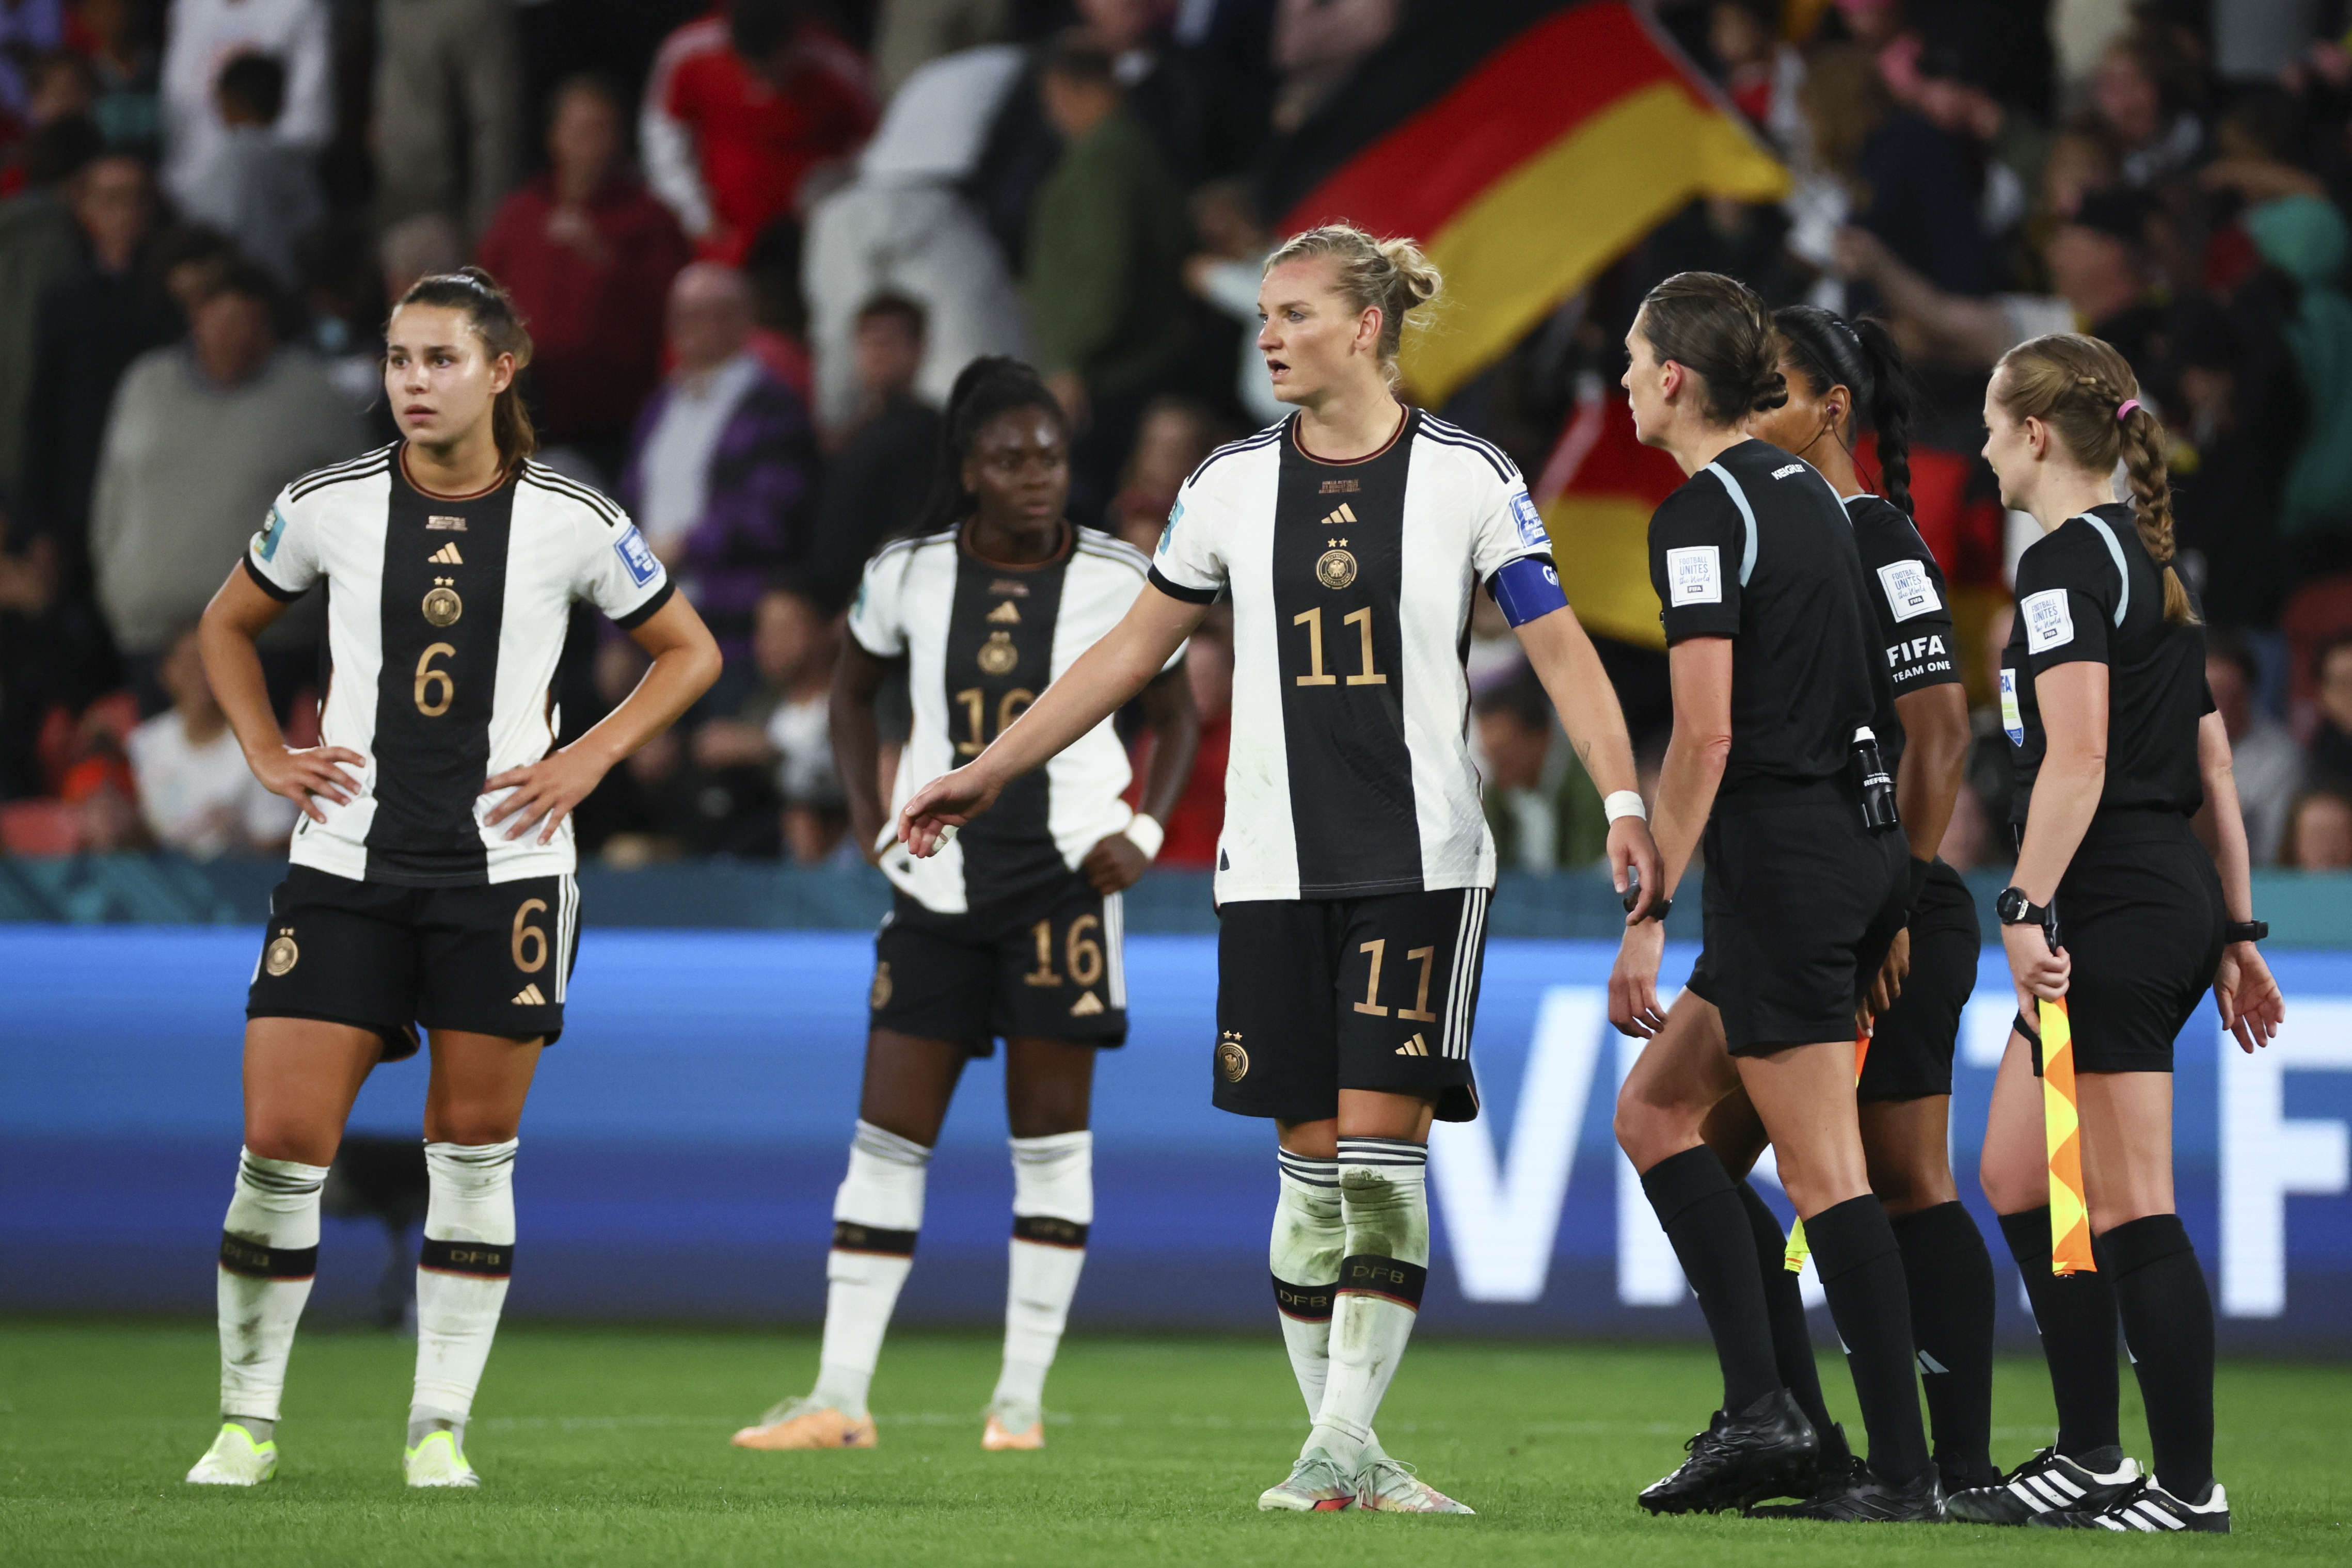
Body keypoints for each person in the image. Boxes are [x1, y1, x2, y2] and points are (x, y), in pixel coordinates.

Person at [896, 225, 1659, 1514]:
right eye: (1260, 314)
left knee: (1375, 1159)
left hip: (1418, 863)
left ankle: (1333, 1450)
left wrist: (1621, 796)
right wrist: (991, 764)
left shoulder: (1469, 475)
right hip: (1264, 869)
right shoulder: (1227, 484)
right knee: (1306, 1176)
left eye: (1291, 313)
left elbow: (1558, 647)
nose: (1265, 336)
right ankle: (1341, 1454)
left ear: (1364, 327)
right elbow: (1128, 655)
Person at [181, 266, 722, 1490]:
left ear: (501, 367)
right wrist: (267, 751)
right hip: (346, 864)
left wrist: (586, 758)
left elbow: (689, 651)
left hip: (506, 876)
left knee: (471, 1152)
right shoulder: (326, 504)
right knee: (278, 1144)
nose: (411, 383)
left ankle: (437, 1427)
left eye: (437, 359)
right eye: (395, 359)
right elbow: (224, 625)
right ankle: (246, 1420)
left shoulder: (572, 519)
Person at [730, 357, 1199, 1454]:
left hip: (1067, 884)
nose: (1036, 476)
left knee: (1051, 1149)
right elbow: (848, 691)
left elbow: (1173, 715)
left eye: (1049, 456)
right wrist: (863, 809)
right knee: (886, 1140)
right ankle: (840, 1395)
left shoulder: (1121, 573)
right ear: (968, 470)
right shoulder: (904, 574)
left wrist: (1144, 828)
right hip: (934, 888)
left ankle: (1018, 1405)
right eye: (1009, 458)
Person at [1608, 272, 1935, 1522]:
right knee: (1656, 1114)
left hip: (1783, 859)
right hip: (1848, 846)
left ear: (1676, 378)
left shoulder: (1700, 515)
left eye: (1635, 360)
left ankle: (1892, 1475)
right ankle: (1773, 1413)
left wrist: (1645, 914)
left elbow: (1701, 740)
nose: (1625, 379)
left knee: (1822, 1171)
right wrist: (1887, 888)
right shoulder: (1812, 494)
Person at [1958, 332, 2284, 1532]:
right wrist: (2235, 924)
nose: (1982, 446)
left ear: (2035, 434)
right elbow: (2205, 759)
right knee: (2010, 1171)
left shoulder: (2057, 568)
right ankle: (2091, 1450)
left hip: (2108, 901)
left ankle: (2187, 1487)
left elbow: (2081, 759)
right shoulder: (2146, 560)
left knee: (2129, 1200)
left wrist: (2021, 904)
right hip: (2147, 892)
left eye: (1992, 425)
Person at [1698, 303, 1997, 1503]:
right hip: (1808, 903)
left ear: (1829, 407)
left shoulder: (1871, 537)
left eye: (1767, 391)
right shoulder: (1778, 536)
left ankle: (1940, 1462)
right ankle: (1795, 1429)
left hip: (1882, 910)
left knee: (1904, 1177)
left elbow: (1941, 733)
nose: (1747, 413)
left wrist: (1898, 905)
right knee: (1700, 1151)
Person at [90, 256, 359, 715]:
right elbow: (113, 498)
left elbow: (356, 515)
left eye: (246, 322)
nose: (233, 336)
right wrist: (117, 585)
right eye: (221, 320)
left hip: (267, 642)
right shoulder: (146, 384)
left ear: (267, 325)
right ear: (196, 317)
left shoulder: (313, 397)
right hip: (152, 641)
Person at [475, 73, 693, 479]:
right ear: (555, 138)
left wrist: (604, 260)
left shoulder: (649, 219)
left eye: (605, 131)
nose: (596, 145)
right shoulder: (520, 215)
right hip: (525, 424)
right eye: (583, 131)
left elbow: (671, 309)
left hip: (615, 425)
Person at [619, 262, 819, 674]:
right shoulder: (661, 405)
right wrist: (613, 631)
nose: (687, 327)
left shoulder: (771, 406)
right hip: (652, 626)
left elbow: (772, 517)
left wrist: (685, 547)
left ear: (740, 319)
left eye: (705, 313)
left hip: (732, 629)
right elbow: (623, 512)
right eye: (681, 314)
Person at [1023, 31, 1189, 520]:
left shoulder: (1106, 157)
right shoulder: (1124, 148)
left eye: (1054, 99)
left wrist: (1073, 361)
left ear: (1074, 88)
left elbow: (1104, 268)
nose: (1052, 115)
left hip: (1115, 373)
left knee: (1098, 509)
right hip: (1119, 365)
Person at [640, 0, 877, 264]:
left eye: (773, 67)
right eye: (753, 67)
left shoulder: (839, 65)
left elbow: (875, 145)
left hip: (811, 241)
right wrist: (694, 215)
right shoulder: (689, 51)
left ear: (793, 42)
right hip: (720, 239)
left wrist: (832, 196)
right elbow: (663, 134)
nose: (763, 79)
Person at [804, 291, 944, 609]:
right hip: (831, 595)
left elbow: (914, 527)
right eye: (868, 343)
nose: (876, 355)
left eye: (888, 343)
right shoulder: (851, 434)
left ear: (918, 350)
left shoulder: (930, 433)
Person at [125, 623, 296, 857]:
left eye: (210, 661)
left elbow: (277, 843)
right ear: (166, 671)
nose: (198, 672)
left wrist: (235, 839)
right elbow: (138, 833)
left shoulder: (266, 746)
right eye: (189, 661)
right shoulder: (144, 743)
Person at [157, 0, 329, 219]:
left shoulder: (300, 7)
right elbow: (176, 109)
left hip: (272, 194)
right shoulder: (189, 6)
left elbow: (311, 123)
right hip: (191, 197)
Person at [173, 52, 320, 286]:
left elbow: (210, 224)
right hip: (295, 286)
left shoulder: (232, 158)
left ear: (225, 99)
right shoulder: (299, 159)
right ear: (282, 102)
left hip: (244, 287)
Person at [2204, 630, 2301, 865]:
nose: (2222, 710)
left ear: (2250, 694)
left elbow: (2274, 851)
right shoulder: (2161, 746)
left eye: (2232, 697)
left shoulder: (2281, 757)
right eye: (2211, 696)